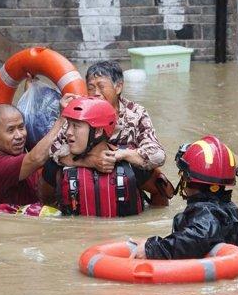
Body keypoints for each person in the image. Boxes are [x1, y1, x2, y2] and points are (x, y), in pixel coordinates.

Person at [50, 60, 173, 205]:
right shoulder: (80, 111)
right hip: (84, 164)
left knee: (160, 181)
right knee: (49, 168)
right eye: (90, 88)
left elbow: (158, 155)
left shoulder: (136, 113)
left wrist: (121, 154)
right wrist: (91, 161)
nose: (95, 93)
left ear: (118, 87)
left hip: (125, 169)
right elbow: (54, 150)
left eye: (101, 87)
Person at [131, 135, 238, 259]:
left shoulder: (206, 212)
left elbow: (197, 238)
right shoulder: (228, 208)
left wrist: (152, 249)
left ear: (186, 179)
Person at [39, 97, 151, 217]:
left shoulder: (131, 164)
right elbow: (46, 203)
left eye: (75, 126)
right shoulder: (54, 166)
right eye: (68, 125)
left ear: (98, 131)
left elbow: (161, 196)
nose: (68, 132)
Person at [0, 96, 70, 206]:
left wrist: (30, 88)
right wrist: (62, 117)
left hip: (39, 207)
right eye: (10, 130)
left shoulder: (14, 148)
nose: (19, 136)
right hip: (17, 218)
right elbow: (36, 158)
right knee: (51, 166)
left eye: (21, 127)